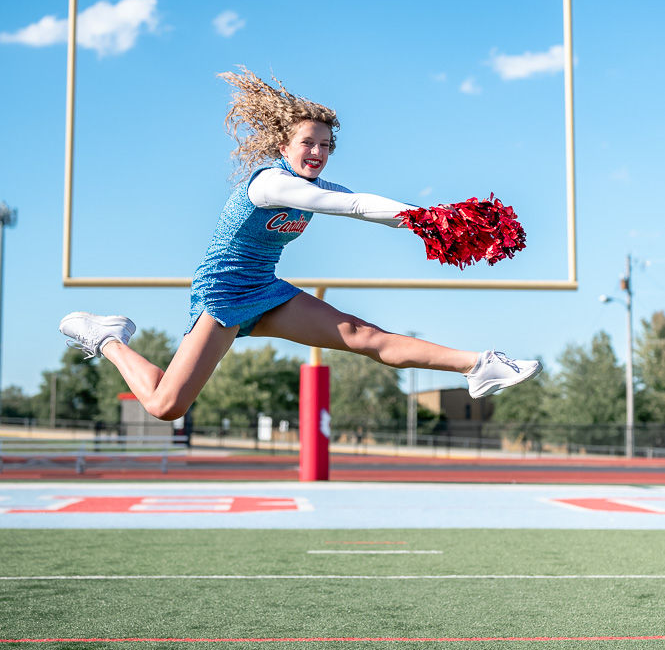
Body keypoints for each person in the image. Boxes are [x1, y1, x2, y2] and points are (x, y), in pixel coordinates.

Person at [59, 67, 541, 420]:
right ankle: (109, 338)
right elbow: (352, 207)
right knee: (166, 406)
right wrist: (423, 215)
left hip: (265, 290)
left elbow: (370, 208)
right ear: (284, 146)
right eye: (309, 143)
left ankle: (480, 365)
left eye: (327, 145)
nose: (318, 153)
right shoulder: (271, 183)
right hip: (223, 293)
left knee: (362, 335)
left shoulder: (315, 190)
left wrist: (444, 222)